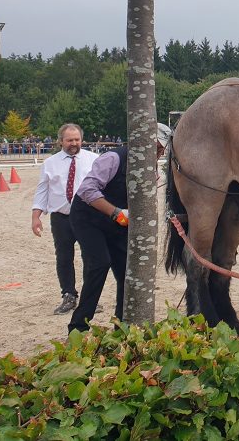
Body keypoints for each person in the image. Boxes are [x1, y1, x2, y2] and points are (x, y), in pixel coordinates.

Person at [67, 123, 171, 333]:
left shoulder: (152, 172)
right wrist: (116, 212)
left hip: (118, 223)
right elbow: (87, 190)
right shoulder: (113, 159)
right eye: (156, 148)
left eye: (161, 150)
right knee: (99, 264)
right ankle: (78, 327)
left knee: (127, 272)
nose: (158, 154)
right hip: (89, 218)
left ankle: (121, 327)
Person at [31, 124, 99, 314]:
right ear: (61, 141)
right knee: (64, 257)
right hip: (61, 218)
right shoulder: (49, 163)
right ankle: (68, 295)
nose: (74, 144)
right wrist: (36, 216)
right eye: (69, 140)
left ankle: (90, 296)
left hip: (88, 216)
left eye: (77, 140)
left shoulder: (94, 160)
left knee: (91, 257)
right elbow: (42, 191)